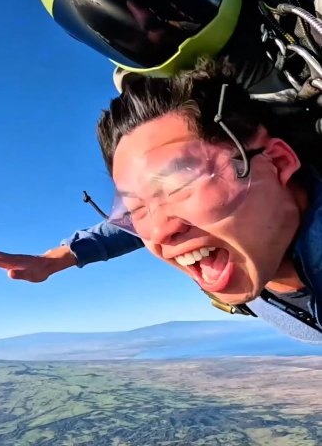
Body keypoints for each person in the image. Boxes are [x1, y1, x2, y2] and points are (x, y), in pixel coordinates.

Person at [0, 0, 322, 300]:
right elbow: (161, 204)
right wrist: (63, 256)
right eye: (112, 18)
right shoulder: (162, 108)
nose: (144, 21)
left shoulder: (308, 17)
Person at [95, 57, 322, 341]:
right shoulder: (240, 257)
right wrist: (65, 255)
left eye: (181, 184)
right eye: (136, 208)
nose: (159, 232)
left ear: (277, 161)